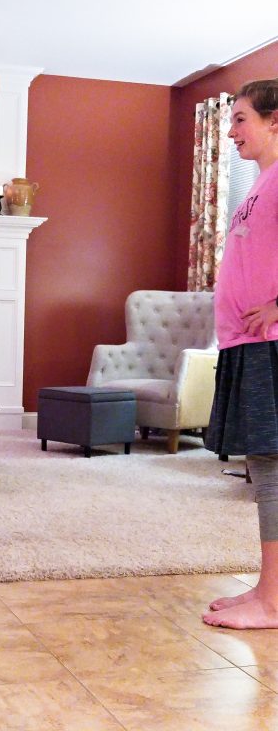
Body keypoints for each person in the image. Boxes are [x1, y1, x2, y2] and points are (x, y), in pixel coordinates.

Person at [203, 79, 278, 630]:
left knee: (272, 469)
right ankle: (267, 588)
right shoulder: (261, 183)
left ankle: (274, 602)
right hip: (246, 343)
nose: (231, 131)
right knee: (263, 466)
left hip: (269, 344)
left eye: (242, 119)